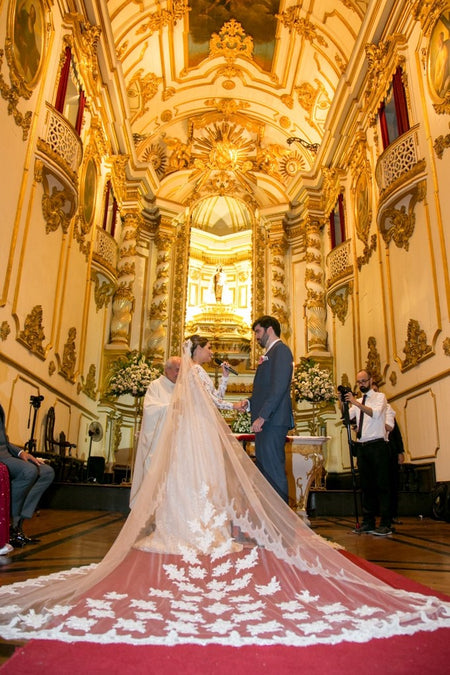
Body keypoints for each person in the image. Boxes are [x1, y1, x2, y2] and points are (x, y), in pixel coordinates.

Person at [0, 343, 449, 647]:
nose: (213, 353)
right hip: (197, 435)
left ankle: (195, 526)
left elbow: (212, 397)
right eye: (208, 349)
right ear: (194, 350)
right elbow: (211, 401)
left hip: (199, 434)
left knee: (205, 483)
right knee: (202, 480)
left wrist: (228, 392)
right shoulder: (190, 372)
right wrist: (230, 401)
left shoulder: (195, 375)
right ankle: (196, 529)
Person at [245, 315, 294, 502]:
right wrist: (249, 403)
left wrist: (262, 416)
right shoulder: (270, 354)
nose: (256, 336)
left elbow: (279, 387)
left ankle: (282, 525)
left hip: (272, 421)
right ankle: (272, 521)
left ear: (270, 329)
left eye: (258, 331)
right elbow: (265, 390)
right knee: (266, 472)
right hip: (267, 421)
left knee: (273, 471)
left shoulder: (281, 351)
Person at [341, 370, 391, 536]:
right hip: (363, 447)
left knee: (383, 485)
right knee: (367, 486)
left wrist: (355, 402)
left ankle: (385, 523)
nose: (361, 384)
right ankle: (368, 522)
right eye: (359, 382)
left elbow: (375, 414)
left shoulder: (380, 397)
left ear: (371, 380)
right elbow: (347, 418)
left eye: (364, 381)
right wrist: (342, 402)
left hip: (378, 446)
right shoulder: (358, 402)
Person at [0, 402, 55, 547]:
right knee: (28, 471)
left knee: (47, 472)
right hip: (1, 458)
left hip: (7, 455)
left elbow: (4, 441)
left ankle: (17, 525)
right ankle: (10, 523)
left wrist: (21, 452)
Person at [130, 356, 181, 508]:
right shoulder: (156, 386)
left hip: (176, 439)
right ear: (167, 370)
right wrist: (172, 407)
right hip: (157, 441)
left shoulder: (182, 387)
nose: (179, 374)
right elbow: (150, 409)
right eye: (177, 370)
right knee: (155, 474)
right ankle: (150, 510)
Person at [372, 383, 405, 525]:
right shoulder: (365, 410)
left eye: (375, 390)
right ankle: (378, 514)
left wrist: (400, 451)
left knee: (392, 483)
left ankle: (392, 514)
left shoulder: (387, 409)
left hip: (390, 451)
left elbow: (396, 432)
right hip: (375, 452)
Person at [188, 334, 243, 412]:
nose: (212, 352)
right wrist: (233, 405)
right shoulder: (196, 369)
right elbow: (210, 399)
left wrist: (225, 376)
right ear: (199, 348)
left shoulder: (198, 369)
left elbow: (218, 398)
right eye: (209, 348)